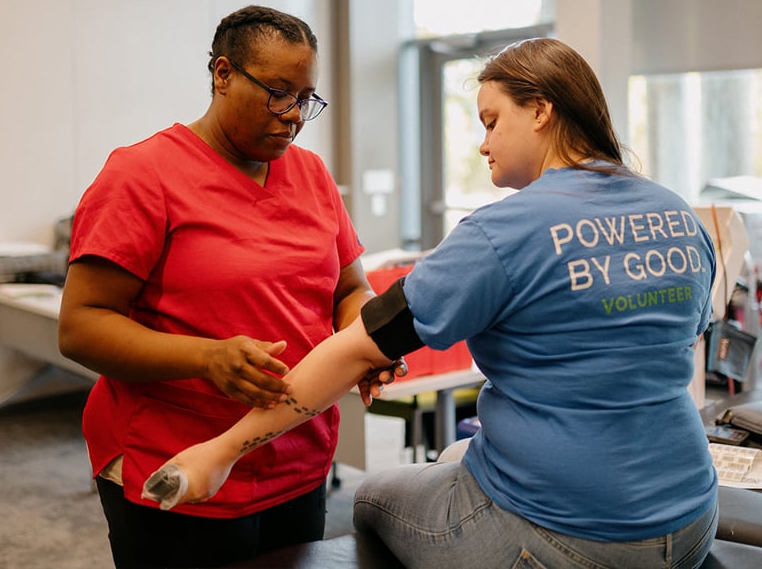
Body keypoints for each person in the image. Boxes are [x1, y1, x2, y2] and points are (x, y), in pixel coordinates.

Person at [141, 37, 719, 569]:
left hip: (568, 536)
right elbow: (678, 341)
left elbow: (355, 348)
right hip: (692, 516)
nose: (483, 142)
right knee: (453, 454)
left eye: (492, 121)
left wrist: (219, 453)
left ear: (540, 110)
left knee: (372, 496)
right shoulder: (676, 212)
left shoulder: (503, 231)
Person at [58, 4, 404, 568]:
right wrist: (206, 357)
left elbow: (349, 290)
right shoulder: (142, 175)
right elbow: (80, 327)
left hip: (297, 458)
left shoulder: (312, 174)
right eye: (277, 92)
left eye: (304, 98)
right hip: (175, 458)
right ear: (222, 74)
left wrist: (366, 341)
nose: (293, 115)